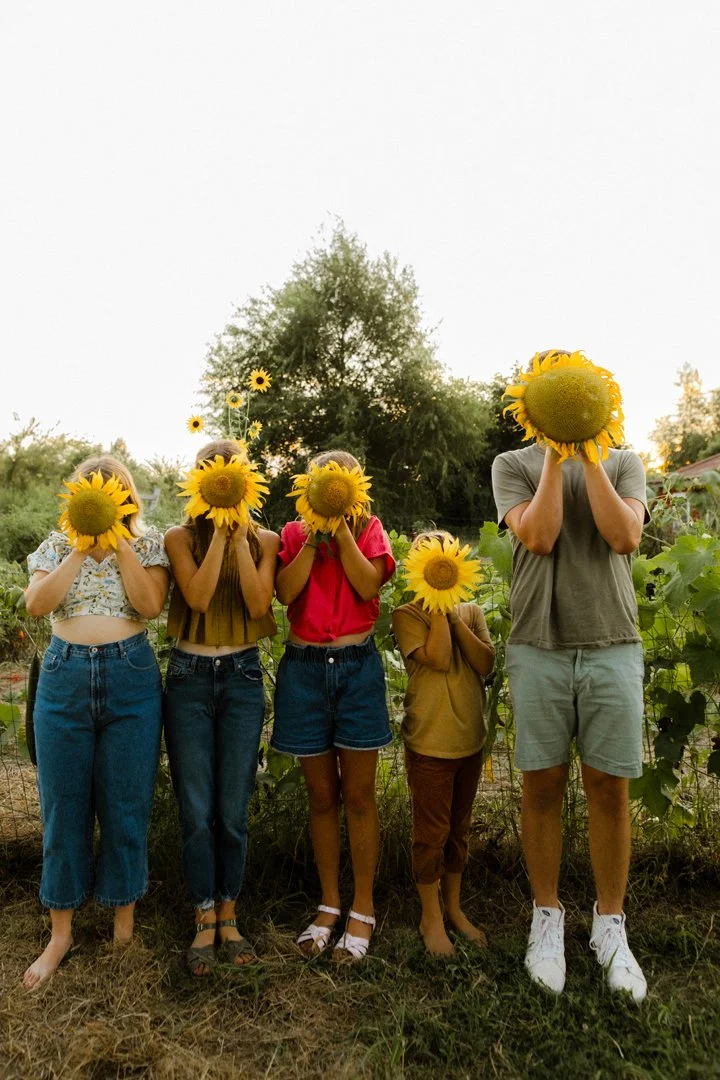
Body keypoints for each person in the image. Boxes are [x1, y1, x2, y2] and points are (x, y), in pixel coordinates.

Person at [491, 362, 650, 1002]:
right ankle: (547, 917)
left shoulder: (626, 463)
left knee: (610, 785)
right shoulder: (512, 465)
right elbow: (541, 533)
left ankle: (610, 924)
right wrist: (556, 457)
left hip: (612, 640)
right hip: (539, 645)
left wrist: (591, 457)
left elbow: (623, 534)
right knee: (543, 783)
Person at [22, 456, 170, 989]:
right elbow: (37, 605)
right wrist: (80, 548)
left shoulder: (148, 547)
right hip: (63, 681)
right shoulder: (56, 546)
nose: (100, 498)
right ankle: (60, 933)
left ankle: (122, 928)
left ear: (125, 498)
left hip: (130, 679)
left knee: (126, 804)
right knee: (62, 806)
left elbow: (150, 605)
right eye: (89, 491)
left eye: (110, 492)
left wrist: (120, 541)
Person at [272, 450, 395, 960]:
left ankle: (362, 907)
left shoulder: (369, 530)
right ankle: (328, 903)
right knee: (321, 795)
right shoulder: (294, 533)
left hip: (356, 667)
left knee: (360, 796)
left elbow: (369, 584)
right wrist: (312, 539)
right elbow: (284, 593)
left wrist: (342, 532)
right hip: (303, 670)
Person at [163, 439, 280, 976]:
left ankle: (230, 912)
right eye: (215, 477)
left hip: (241, 677)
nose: (224, 484)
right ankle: (202, 915)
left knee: (232, 809)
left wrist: (240, 538)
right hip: (188, 679)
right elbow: (200, 598)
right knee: (195, 808)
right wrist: (218, 536)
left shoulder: (267, 540)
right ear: (201, 484)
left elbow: (259, 605)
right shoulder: (178, 538)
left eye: (233, 478)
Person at [392, 531, 495, 956]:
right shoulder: (406, 615)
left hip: (468, 741)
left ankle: (454, 909)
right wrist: (436, 606)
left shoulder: (470, 612)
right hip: (430, 743)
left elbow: (485, 663)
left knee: (458, 830)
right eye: (428, 557)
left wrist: (453, 615)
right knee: (430, 833)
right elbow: (436, 657)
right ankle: (430, 916)